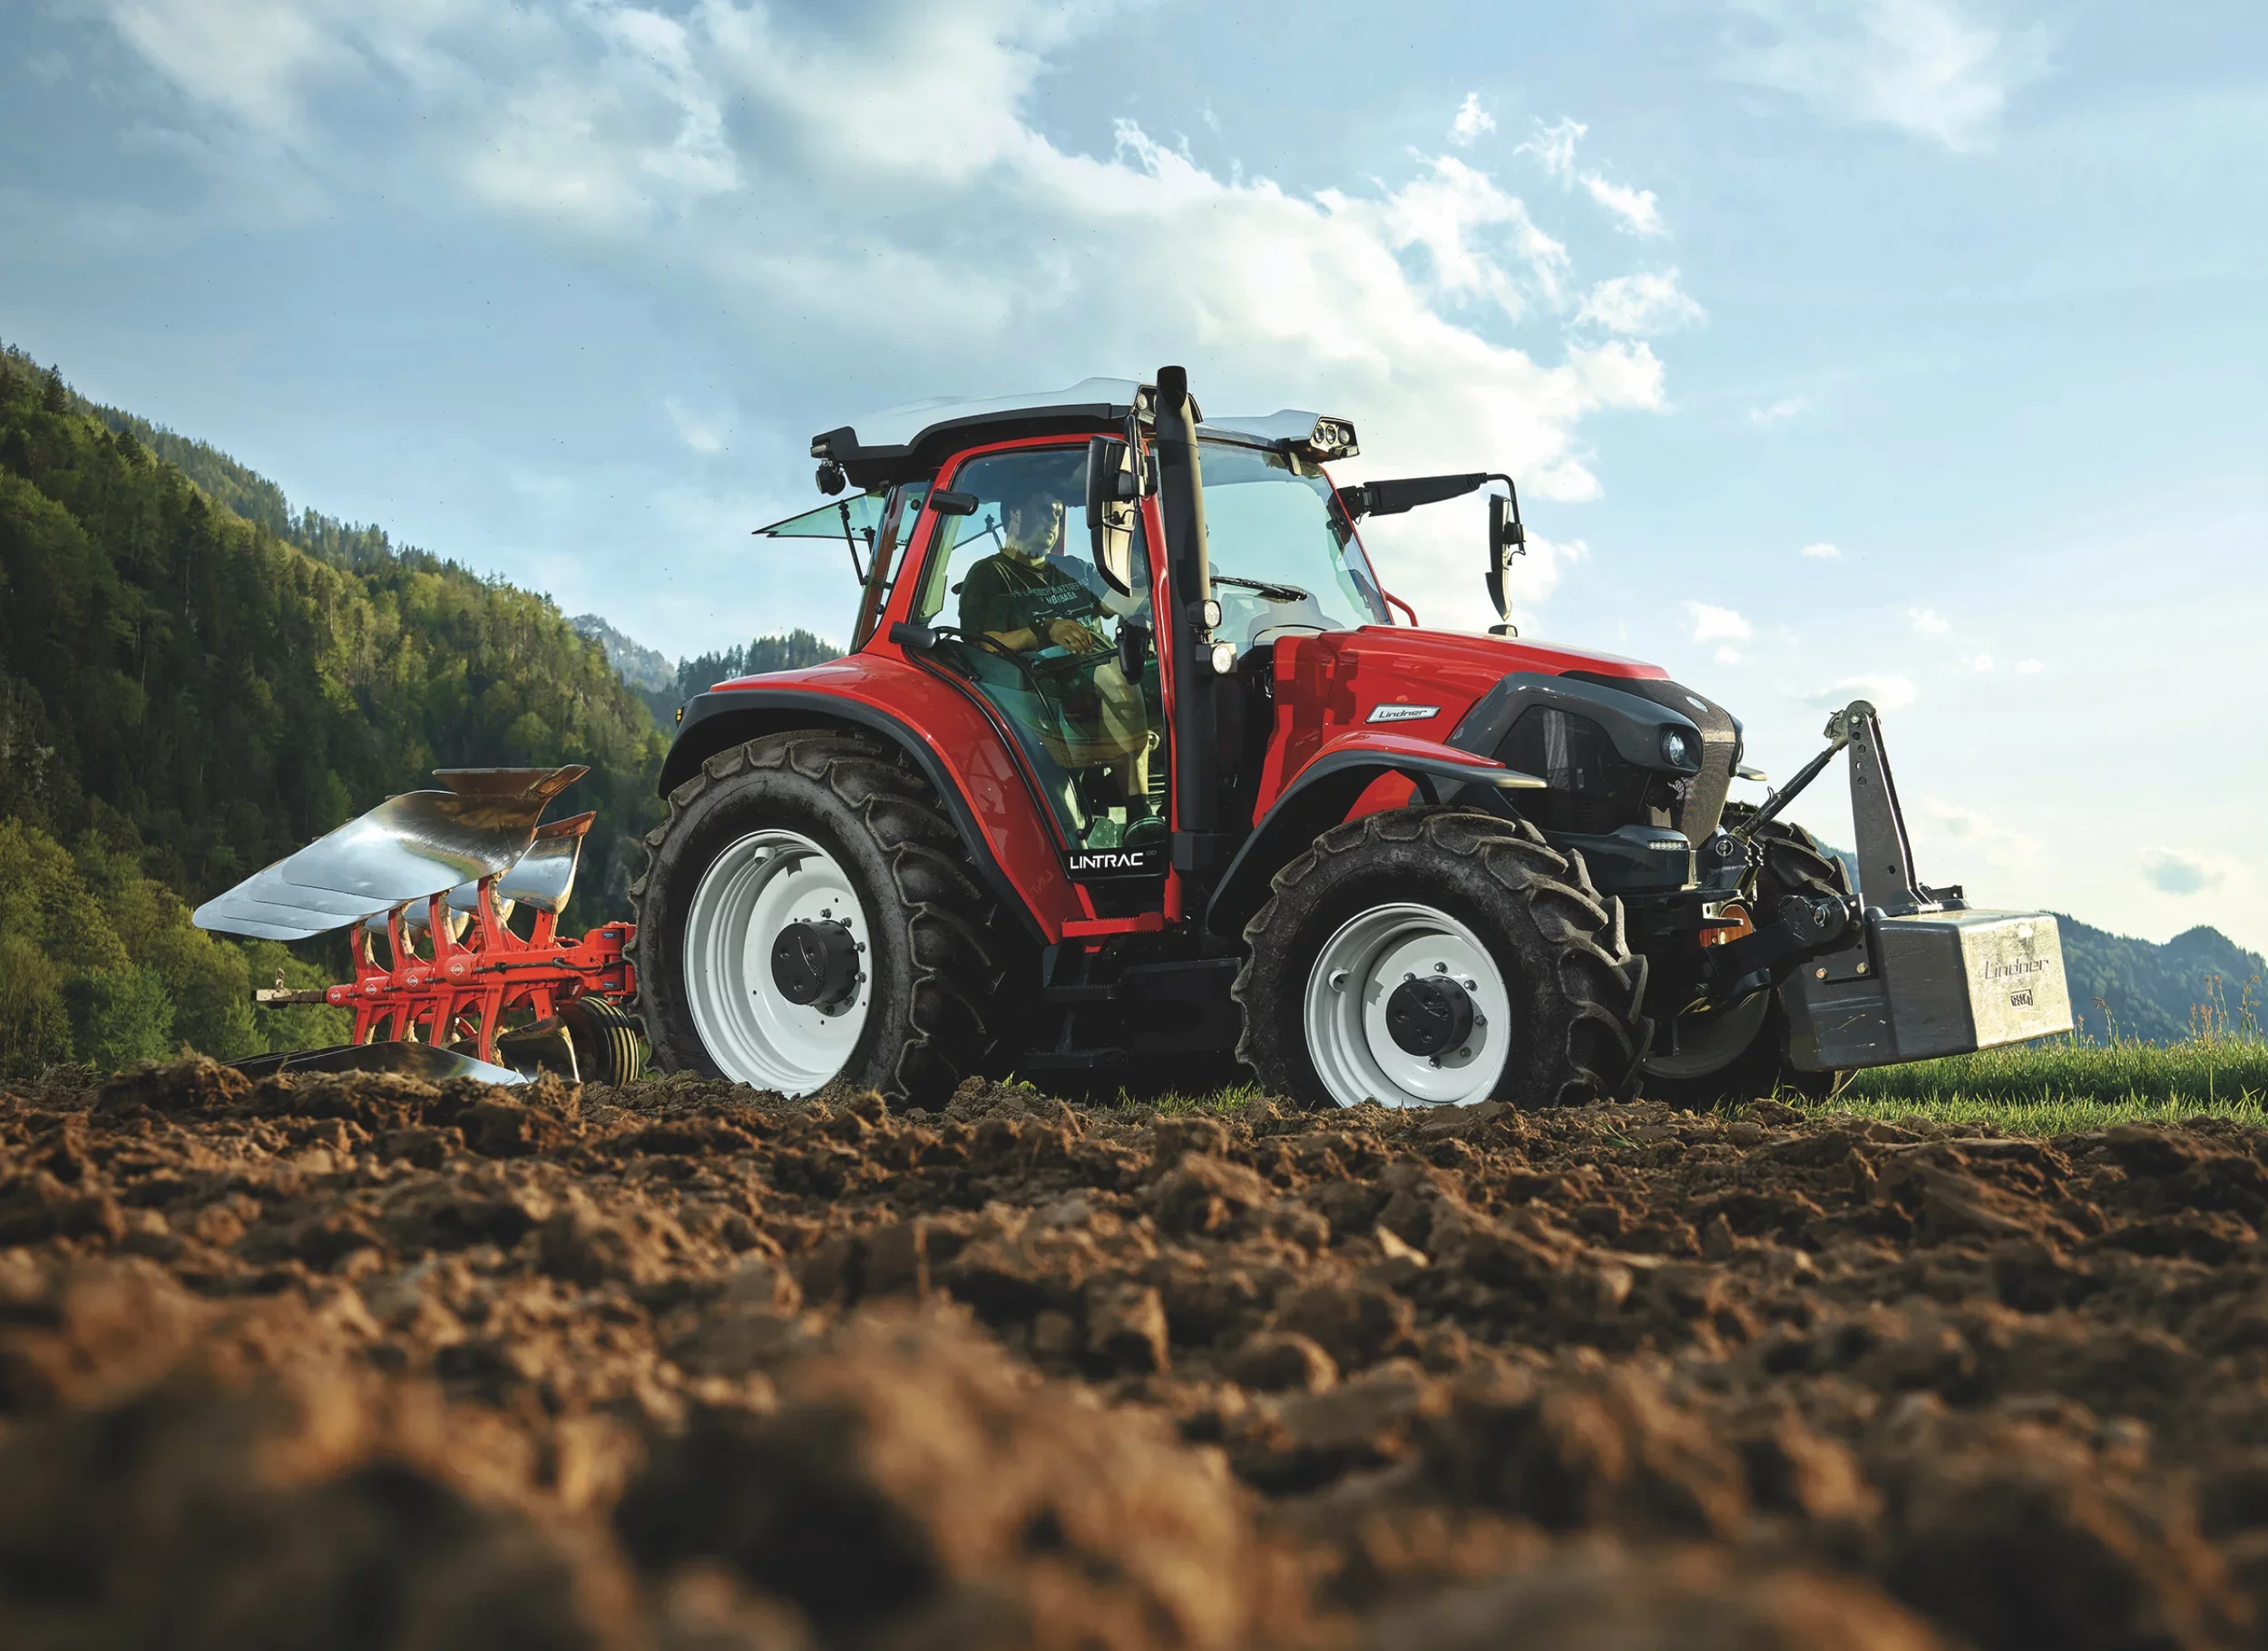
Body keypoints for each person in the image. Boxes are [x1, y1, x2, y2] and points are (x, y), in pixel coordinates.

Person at [957, 481, 1156, 823]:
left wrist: (1173, 587)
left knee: (1175, 675)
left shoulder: (1075, 569)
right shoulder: (990, 574)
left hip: (1100, 662)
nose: (1054, 522)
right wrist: (1045, 630)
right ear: (1015, 515)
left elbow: (1121, 603)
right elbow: (981, 645)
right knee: (1121, 673)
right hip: (1041, 683)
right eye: (1045, 512)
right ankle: (1140, 812)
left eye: (1059, 515)